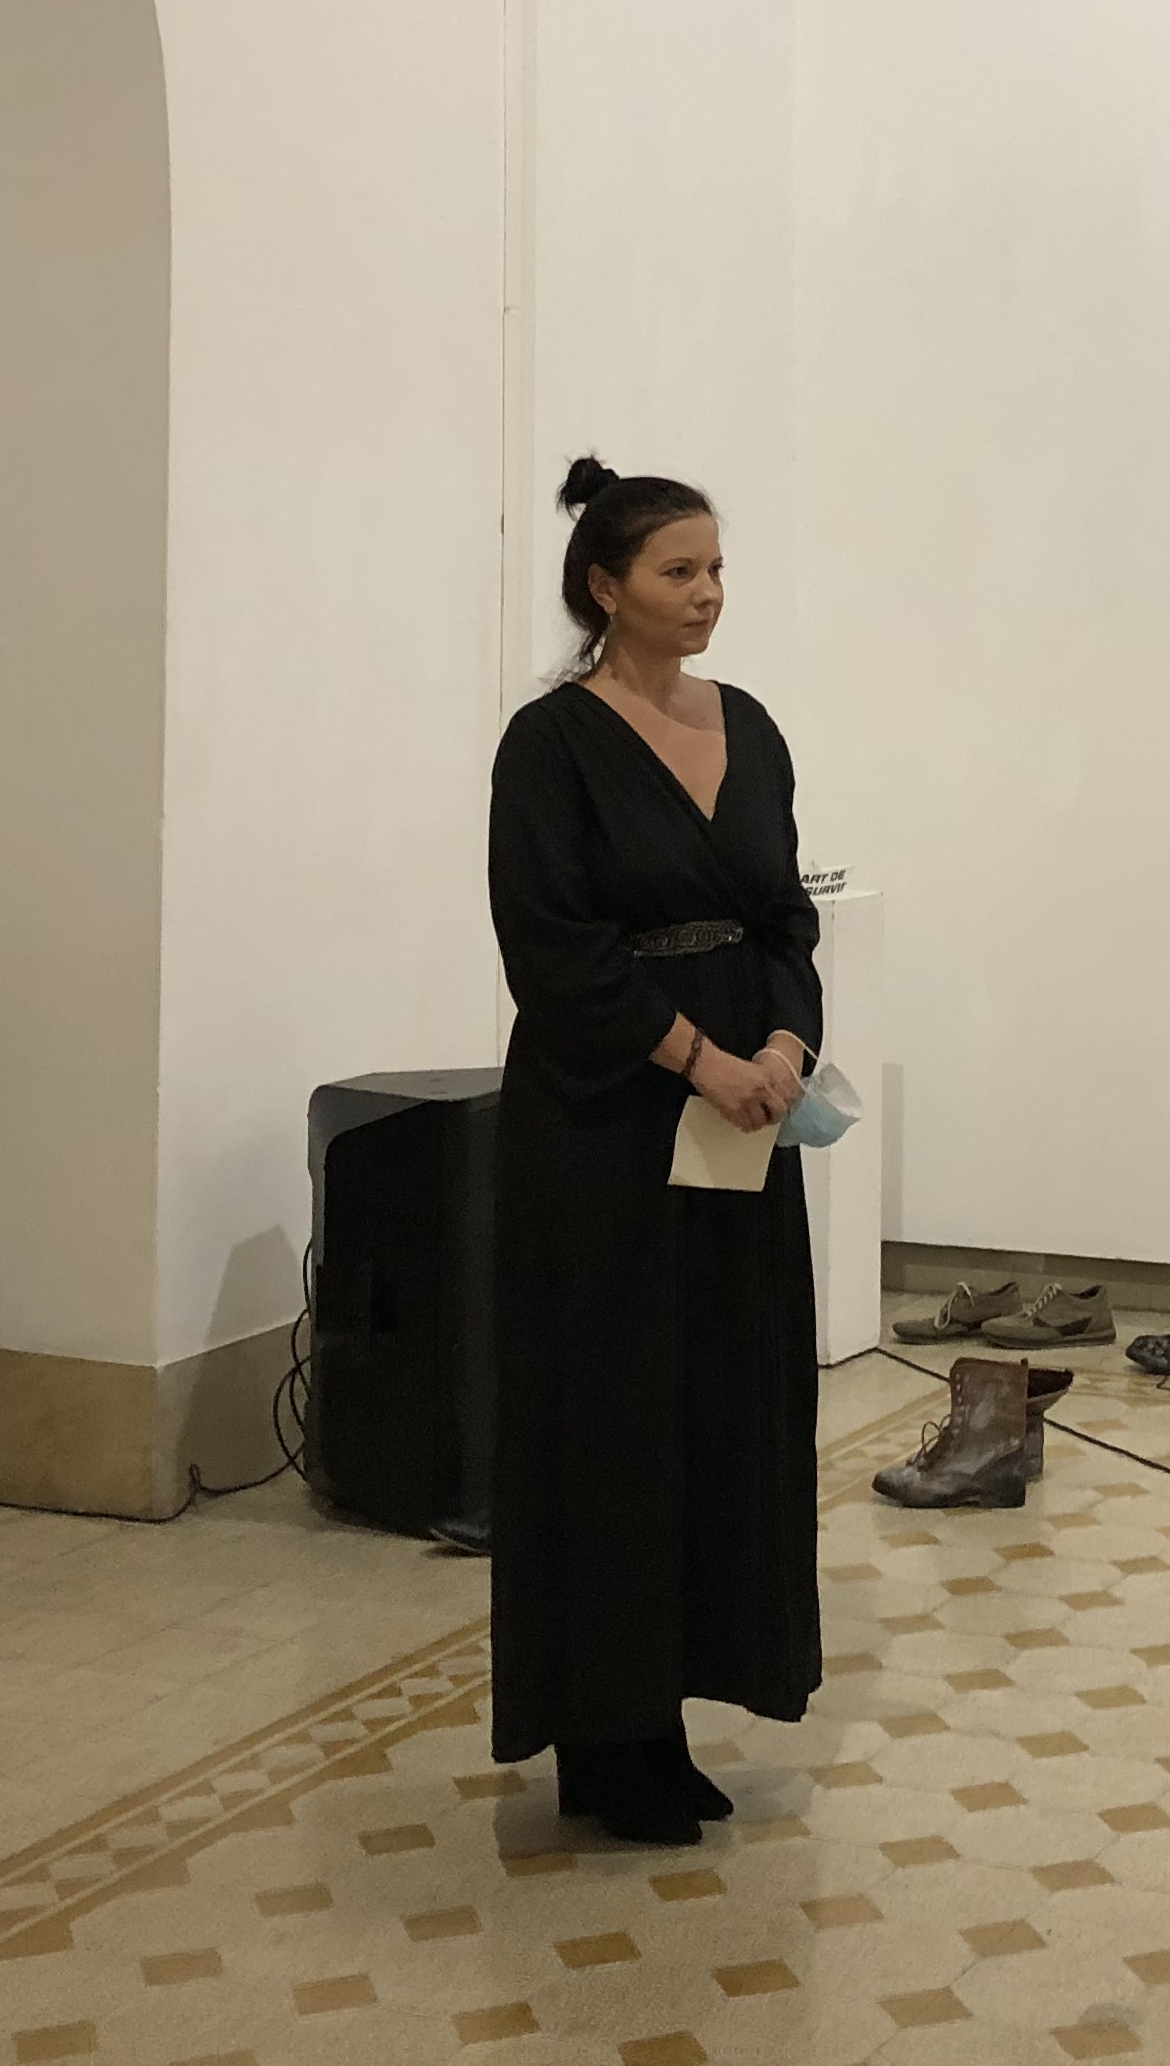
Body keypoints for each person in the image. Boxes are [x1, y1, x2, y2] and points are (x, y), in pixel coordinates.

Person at [488, 457, 824, 1845]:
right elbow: (554, 951)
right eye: (679, 572)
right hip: (608, 1121)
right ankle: (606, 1736)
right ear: (603, 586)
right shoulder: (550, 743)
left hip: (742, 1119)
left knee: (724, 1408)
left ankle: (678, 1706)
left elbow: (787, 914)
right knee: (612, 1416)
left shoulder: (749, 723)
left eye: (716, 569)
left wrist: (786, 1046)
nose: (707, 595)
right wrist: (701, 1059)